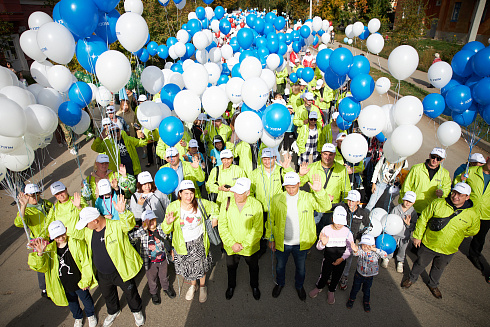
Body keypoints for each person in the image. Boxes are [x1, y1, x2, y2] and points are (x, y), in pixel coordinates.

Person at [402, 183, 480, 299]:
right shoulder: (438, 203)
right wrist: (417, 236)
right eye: (454, 192)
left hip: (449, 248)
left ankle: (433, 285)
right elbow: (424, 218)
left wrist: (458, 234)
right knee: (420, 263)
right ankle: (412, 278)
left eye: (460, 195)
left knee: (439, 267)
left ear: (467, 197)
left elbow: (473, 230)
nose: (455, 196)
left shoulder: (472, 214)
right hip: (429, 243)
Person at [76, 205, 145, 327]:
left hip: (120, 270)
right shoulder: (89, 232)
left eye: (86, 224)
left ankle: (136, 310)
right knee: (108, 295)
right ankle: (113, 311)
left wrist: (123, 212)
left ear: (95, 221)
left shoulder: (116, 225)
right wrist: (79, 208)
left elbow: (128, 224)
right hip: (102, 274)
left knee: (131, 293)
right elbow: (74, 235)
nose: (85, 227)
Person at [267, 172, 331, 301]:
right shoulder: (276, 198)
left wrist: (319, 192)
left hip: (301, 243)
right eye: (288, 187)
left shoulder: (307, 197)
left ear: (299, 184)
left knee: (301, 269)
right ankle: (280, 283)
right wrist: (271, 238)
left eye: (293, 187)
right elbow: (270, 219)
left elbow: (326, 207)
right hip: (282, 242)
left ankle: (299, 286)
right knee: (280, 266)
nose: (290, 190)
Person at [29, 221, 97, 327]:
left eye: (62, 234)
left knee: (86, 299)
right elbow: (42, 267)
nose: (61, 237)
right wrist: (40, 253)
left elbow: (85, 262)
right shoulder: (49, 250)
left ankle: (90, 315)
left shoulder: (76, 243)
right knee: (72, 302)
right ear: (51, 237)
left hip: (79, 281)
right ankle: (78, 317)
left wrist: (85, 280)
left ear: (65, 229)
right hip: (63, 283)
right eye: (57, 236)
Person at [162, 180, 218, 303]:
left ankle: (203, 286)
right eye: (186, 193)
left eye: (191, 193)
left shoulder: (200, 203)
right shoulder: (173, 207)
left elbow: (215, 207)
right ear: (180, 193)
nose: (189, 196)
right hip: (182, 245)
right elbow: (165, 230)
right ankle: (193, 285)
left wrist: (215, 217)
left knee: (201, 267)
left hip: (199, 242)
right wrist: (168, 223)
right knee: (190, 268)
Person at [218, 177, 263, 300]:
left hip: (250, 248)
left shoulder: (256, 205)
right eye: (235, 191)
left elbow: (258, 229)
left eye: (240, 192)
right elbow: (222, 225)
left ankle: (254, 286)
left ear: (248, 192)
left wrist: (243, 245)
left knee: (253, 268)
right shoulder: (226, 203)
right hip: (231, 247)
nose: (236, 195)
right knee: (231, 268)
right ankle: (231, 286)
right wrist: (232, 243)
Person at [249, 148, 294, 255]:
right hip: (261, 209)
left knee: (278, 230)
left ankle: (278, 249)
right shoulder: (255, 173)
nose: (267, 161)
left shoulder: (281, 170)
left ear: (275, 158)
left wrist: (288, 169)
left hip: (277, 209)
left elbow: (292, 181)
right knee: (260, 231)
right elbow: (250, 191)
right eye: (264, 159)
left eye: (269, 159)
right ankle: (261, 249)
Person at [299, 143, 351, 232]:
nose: (328, 157)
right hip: (316, 208)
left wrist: (346, 207)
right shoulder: (311, 167)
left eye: (331, 154)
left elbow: (346, 190)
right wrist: (300, 174)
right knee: (313, 235)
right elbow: (299, 184)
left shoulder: (342, 169)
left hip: (332, 209)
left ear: (334, 155)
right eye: (325, 154)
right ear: (321, 153)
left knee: (330, 237)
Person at [455, 156, 490, 282]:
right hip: (470, 210)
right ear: (487, 159)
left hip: (487, 214)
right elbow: (458, 186)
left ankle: (474, 255)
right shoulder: (472, 171)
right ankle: (449, 248)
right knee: (458, 229)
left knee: (480, 237)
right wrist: (460, 179)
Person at [129, 210, 176, 305]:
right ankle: (153, 293)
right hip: (150, 262)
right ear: (143, 223)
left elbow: (167, 238)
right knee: (152, 279)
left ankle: (166, 288)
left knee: (164, 276)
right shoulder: (142, 232)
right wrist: (143, 228)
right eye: (148, 221)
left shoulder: (160, 227)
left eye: (153, 220)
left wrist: (172, 251)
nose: (151, 223)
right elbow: (131, 238)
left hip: (163, 259)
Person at [15, 184, 54, 298]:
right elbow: (19, 222)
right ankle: (44, 288)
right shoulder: (26, 210)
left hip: (51, 236)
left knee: (53, 259)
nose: (35, 197)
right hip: (39, 240)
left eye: (37, 194)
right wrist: (23, 206)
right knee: (41, 262)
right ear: (26, 196)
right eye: (32, 195)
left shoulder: (45, 203)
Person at [309, 206, 354, 305]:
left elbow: (349, 248)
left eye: (342, 223)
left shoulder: (347, 232)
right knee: (324, 274)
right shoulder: (326, 229)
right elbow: (319, 247)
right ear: (332, 219)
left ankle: (331, 291)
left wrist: (342, 258)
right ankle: (319, 287)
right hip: (328, 258)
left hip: (341, 260)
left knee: (336, 276)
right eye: (337, 222)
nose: (339, 225)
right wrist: (323, 243)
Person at [399, 147, 451, 215]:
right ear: (429, 155)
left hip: (429, 210)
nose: (435, 160)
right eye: (433, 157)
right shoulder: (416, 168)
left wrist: (443, 193)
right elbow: (406, 186)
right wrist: (405, 204)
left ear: (442, 160)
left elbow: (447, 189)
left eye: (438, 158)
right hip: (411, 208)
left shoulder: (445, 174)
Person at [336, 190, 370, 290]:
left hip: (351, 242)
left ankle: (344, 276)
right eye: (349, 200)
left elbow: (369, 226)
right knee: (336, 257)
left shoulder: (363, 213)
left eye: (353, 201)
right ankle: (333, 275)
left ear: (358, 202)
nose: (350, 203)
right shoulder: (342, 208)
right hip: (339, 239)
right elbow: (329, 206)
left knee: (348, 260)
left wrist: (360, 235)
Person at [345, 234, 388, 312]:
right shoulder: (361, 251)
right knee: (355, 288)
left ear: (373, 245)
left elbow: (385, 254)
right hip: (359, 274)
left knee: (366, 290)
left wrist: (375, 249)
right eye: (363, 245)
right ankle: (351, 299)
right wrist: (355, 250)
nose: (365, 247)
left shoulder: (376, 253)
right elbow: (355, 254)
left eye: (368, 245)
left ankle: (366, 302)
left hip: (369, 276)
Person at [382, 191, 418, 273]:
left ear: (414, 202)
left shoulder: (413, 213)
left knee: (403, 249)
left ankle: (400, 261)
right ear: (403, 199)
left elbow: (414, 226)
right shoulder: (396, 209)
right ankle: (387, 257)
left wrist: (408, 224)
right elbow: (390, 220)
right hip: (394, 234)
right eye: (406, 200)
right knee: (391, 246)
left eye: (410, 202)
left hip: (405, 235)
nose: (408, 203)